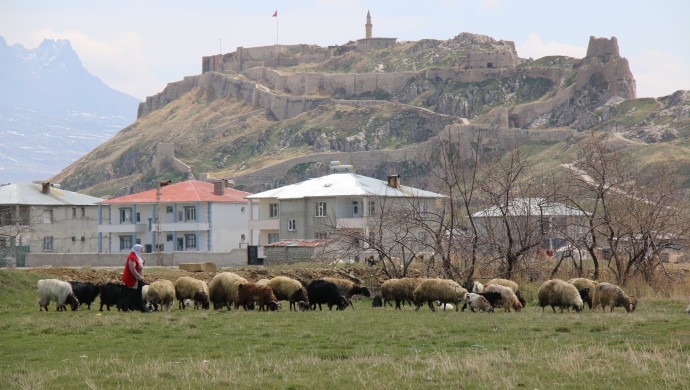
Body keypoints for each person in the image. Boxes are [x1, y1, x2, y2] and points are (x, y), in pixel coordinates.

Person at [122, 243, 147, 312]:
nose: (142, 251)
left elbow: (138, 265)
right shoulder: (132, 257)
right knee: (130, 294)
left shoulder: (136, 256)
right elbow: (132, 269)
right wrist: (138, 276)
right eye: (141, 250)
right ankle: (127, 308)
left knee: (136, 294)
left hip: (137, 279)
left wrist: (142, 263)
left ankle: (139, 308)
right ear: (137, 250)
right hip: (133, 279)